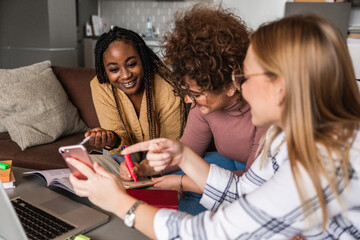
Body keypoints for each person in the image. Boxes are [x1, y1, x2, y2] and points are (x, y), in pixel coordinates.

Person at [67, 14, 360, 239]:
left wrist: (119, 203)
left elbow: (213, 233)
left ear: (279, 88)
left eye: (246, 76)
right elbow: (242, 190)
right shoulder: (286, 136)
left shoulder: (319, 163)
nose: (239, 87)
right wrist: (181, 154)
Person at [118, 5, 266, 215]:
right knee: (187, 170)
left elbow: (252, 186)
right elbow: (186, 151)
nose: (188, 100)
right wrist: (143, 168)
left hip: (256, 180)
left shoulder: (265, 110)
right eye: (186, 90)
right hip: (230, 166)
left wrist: (182, 182)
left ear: (231, 85)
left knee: (188, 182)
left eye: (196, 93)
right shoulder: (203, 106)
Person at [85, 26, 187, 163]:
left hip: (162, 156)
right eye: (114, 69)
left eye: (132, 64)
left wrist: (142, 169)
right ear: (105, 70)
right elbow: (118, 142)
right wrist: (111, 139)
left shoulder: (168, 87)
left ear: (143, 59)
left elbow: (169, 144)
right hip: (123, 153)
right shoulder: (100, 86)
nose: (126, 75)